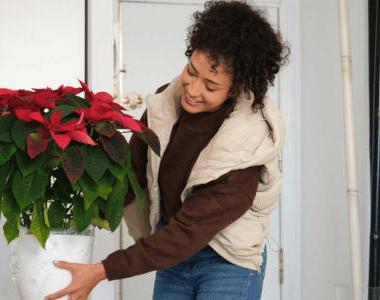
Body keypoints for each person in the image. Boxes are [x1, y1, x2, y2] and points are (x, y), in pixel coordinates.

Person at [45, 1, 289, 299]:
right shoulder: (164, 106)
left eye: (211, 86)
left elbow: (188, 232)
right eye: (191, 71)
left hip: (227, 262)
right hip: (173, 254)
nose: (193, 90)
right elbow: (130, 175)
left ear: (236, 88)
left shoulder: (248, 146)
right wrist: (68, 222)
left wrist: (102, 270)